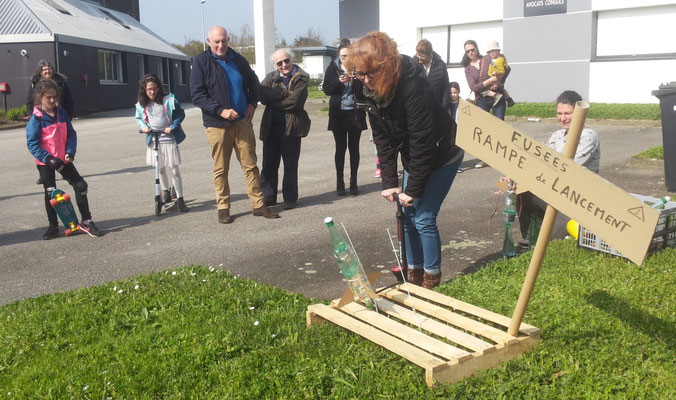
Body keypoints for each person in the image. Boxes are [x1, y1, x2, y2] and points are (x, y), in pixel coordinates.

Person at [346, 32, 464, 289]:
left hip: (443, 152)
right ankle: (413, 274)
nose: (366, 80)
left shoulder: (414, 87)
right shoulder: (370, 91)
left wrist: (412, 189)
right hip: (416, 156)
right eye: (360, 74)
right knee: (406, 215)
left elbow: (423, 141)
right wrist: (389, 181)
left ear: (386, 66)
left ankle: (431, 279)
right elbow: (383, 139)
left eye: (370, 74)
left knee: (423, 217)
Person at [190, 25, 279, 224]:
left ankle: (258, 205)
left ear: (228, 40)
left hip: (242, 122)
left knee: (250, 166)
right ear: (209, 42)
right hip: (217, 124)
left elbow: (253, 82)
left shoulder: (238, 59)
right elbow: (197, 95)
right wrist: (220, 110)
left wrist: (252, 103)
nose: (221, 45)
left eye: (224, 40)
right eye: (217, 42)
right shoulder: (201, 62)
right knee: (221, 168)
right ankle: (223, 208)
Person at [516, 90, 600, 247]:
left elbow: (569, 166)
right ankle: (529, 236)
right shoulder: (557, 136)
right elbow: (541, 160)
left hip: (577, 201)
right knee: (522, 191)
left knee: (548, 243)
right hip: (555, 193)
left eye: (568, 113)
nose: (563, 118)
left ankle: (554, 232)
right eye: (559, 113)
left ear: (579, 113)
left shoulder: (588, 136)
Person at [26, 79, 101, 239]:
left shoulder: (62, 113)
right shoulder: (36, 119)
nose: (52, 101)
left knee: (80, 185)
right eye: (48, 98)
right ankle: (53, 226)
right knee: (50, 192)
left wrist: (70, 151)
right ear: (40, 97)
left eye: (54, 97)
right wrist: (48, 159)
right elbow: (32, 144)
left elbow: (71, 134)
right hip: (46, 162)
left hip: (63, 159)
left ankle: (87, 222)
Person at [258, 49, 311, 209]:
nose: (284, 65)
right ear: (275, 65)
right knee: (268, 165)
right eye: (279, 63)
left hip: (292, 128)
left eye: (286, 61)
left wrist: (273, 101)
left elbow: (296, 102)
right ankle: (268, 197)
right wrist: (283, 93)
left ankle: (290, 199)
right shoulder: (271, 77)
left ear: (291, 60)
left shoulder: (301, 78)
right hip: (271, 126)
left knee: (290, 165)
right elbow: (261, 96)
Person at [135, 74, 189, 212]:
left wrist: (173, 126)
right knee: (160, 168)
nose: (152, 92)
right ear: (144, 90)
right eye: (149, 90)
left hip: (168, 138)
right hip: (154, 139)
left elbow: (180, 114)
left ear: (158, 88)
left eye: (154, 89)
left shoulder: (169, 100)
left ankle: (180, 199)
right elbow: (139, 118)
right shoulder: (142, 105)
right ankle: (165, 192)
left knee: (174, 169)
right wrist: (143, 127)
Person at [322, 39, 367, 196]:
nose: (344, 59)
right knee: (340, 148)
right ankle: (339, 183)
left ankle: (353, 182)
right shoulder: (333, 67)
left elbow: (366, 92)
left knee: (354, 149)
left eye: (347, 56)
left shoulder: (359, 67)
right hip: (338, 113)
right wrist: (339, 81)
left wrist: (357, 80)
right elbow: (327, 89)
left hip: (355, 112)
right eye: (342, 56)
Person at [26, 60, 75, 185]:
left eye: (49, 68)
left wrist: (67, 116)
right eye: (44, 69)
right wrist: (34, 116)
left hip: (60, 117)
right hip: (42, 118)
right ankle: (44, 174)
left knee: (60, 144)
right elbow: (29, 101)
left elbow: (69, 100)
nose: (47, 71)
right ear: (40, 72)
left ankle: (64, 170)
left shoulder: (61, 82)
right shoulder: (35, 84)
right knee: (43, 145)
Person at [462, 40, 503, 168]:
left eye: (472, 49)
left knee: (500, 126)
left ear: (477, 48)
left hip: (498, 95)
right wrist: (490, 80)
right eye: (468, 51)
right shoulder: (468, 69)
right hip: (481, 99)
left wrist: (499, 80)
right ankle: (483, 158)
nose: (471, 52)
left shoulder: (487, 58)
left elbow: (505, 69)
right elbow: (474, 87)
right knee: (482, 130)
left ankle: (502, 158)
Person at [414, 39, 450, 106]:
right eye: (418, 55)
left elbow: (446, 87)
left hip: (437, 107)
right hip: (419, 108)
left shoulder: (441, 65)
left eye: (423, 56)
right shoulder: (413, 65)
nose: (419, 58)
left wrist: (444, 107)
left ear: (430, 53)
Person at [484, 40, 514, 108]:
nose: (491, 54)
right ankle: (508, 99)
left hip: (498, 79)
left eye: (493, 51)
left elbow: (504, 71)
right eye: (489, 52)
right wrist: (491, 74)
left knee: (485, 90)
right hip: (494, 79)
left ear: (498, 51)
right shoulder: (491, 60)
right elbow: (490, 70)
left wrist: (497, 80)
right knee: (502, 89)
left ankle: (497, 96)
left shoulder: (500, 60)